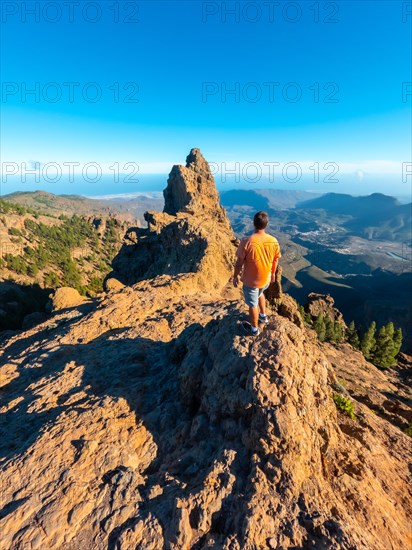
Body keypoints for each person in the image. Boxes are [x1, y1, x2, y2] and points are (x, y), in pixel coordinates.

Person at [233, 211, 281, 336]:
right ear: (267, 224)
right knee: (260, 293)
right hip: (266, 279)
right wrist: (273, 274)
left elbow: (239, 262)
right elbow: (276, 259)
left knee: (252, 305)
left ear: (253, 224)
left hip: (251, 282)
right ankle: (263, 316)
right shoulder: (274, 241)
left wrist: (235, 276)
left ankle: (254, 330)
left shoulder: (246, 241)